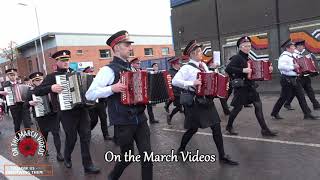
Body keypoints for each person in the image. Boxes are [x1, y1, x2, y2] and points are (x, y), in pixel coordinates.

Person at [86, 30, 153, 180]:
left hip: (140, 119)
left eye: (130, 45)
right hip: (124, 122)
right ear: (116, 48)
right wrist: (112, 88)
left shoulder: (131, 68)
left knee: (147, 157)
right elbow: (90, 94)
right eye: (127, 45)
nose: (130, 48)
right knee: (127, 157)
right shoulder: (107, 70)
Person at [172, 39, 239, 165]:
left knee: (216, 127)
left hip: (207, 101)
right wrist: (191, 83)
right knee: (193, 129)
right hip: (195, 103)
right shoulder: (186, 68)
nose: (200, 53)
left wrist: (216, 73)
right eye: (198, 52)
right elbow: (175, 81)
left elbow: (210, 78)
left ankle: (222, 156)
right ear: (191, 54)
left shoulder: (203, 65)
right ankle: (181, 149)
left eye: (200, 51)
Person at [34, 50, 100, 174]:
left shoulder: (77, 74)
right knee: (72, 138)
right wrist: (51, 88)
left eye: (67, 60)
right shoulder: (52, 77)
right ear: (57, 62)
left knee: (85, 137)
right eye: (63, 60)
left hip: (82, 111)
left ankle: (88, 165)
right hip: (66, 113)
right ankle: (67, 156)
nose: (65, 62)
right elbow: (37, 91)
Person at [225, 36, 277, 136]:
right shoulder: (237, 57)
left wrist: (268, 70)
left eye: (249, 46)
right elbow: (228, 69)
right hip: (242, 88)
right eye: (245, 46)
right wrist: (242, 70)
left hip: (250, 87)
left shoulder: (248, 58)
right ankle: (229, 126)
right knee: (237, 108)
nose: (248, 48)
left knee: (258, 105)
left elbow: (256, 71)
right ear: (240, 47)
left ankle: (264, 129)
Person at [270, 39, 319, 120]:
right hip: (287, 80)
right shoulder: (284, 57)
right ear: (288, 48)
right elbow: (280, 67)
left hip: (295, 79)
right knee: (283, 97)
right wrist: (293, 67)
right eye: (293, 47)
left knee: (301, 96)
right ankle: (274, 113)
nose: (294, 48)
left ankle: (307, 114)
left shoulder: (292, 55)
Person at [23, 72, 64, 161]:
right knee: (44, 135)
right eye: (37, 81)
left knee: (56, 134)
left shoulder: (50, 88)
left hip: (53, 114)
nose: (40, 82)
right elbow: (25, 105)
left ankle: (59, 153)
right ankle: (45, 150)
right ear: (33, 82)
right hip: (41, 117)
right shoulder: (31, 91)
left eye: (41, 80)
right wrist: (30, 103)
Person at [283, 40, 320, 110]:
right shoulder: (293, 55)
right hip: (298, 77)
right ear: (298, 47)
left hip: (306, 76)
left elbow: (310, 62)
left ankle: (316, 105)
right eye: (302, 46)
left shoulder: (305, 54)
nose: (303, 47)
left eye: (303, 46)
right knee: (296, 92)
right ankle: (287, 103)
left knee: (309, 90)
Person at [83, 66, 112, 140]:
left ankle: (106, 135)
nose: (91, 73)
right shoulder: (84, 81)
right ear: (86, 73)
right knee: (94, 120)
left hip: (100, 102)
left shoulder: (97, 79)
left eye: (92, 71)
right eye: (89, 72)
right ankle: (87, 132)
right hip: (91, 104)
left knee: (103, 119)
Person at [0, 68, 31, 134]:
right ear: (8, 76)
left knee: (27, 124)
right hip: (14, 107)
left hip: (24, 106)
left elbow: (28, 95)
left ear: (16, 75)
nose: (12, 76)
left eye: (14, 75)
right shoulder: (5, 85)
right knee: (17, 125)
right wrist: (1, 92)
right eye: (10, 75)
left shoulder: (22, 84)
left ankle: (29, 139)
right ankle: (18, 140)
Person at [166, 57, 183, 125]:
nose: (179, 65)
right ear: (173, 65)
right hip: (175, 93)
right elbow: (171, 84)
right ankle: (170, 116)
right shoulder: (170, 72)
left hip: (181, 92)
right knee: (178, 107)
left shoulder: (179, 71)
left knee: (185, 106)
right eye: (178, 64)